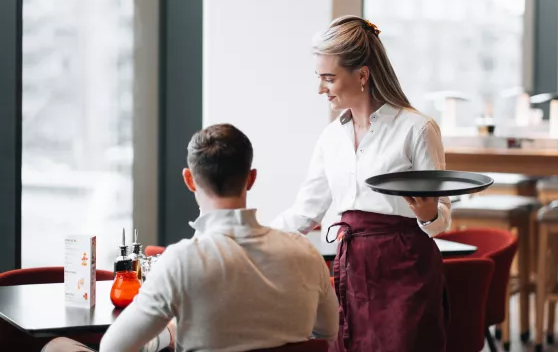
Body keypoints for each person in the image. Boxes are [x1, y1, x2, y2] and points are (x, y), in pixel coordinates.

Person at [44, 124, 338, 352]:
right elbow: (329, 330)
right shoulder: (305, 253)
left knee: (57, 346)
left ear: (189, 179)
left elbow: (114, 348)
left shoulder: (181, 261)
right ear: (251, 178)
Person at [271, 16, 451, 352]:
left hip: (406, 271)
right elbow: (305, 212)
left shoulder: (417, 129)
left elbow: (441, 218)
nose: (320, 88)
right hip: (351, 269)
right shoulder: (331, 137)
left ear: (363, 75)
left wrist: (428, 215)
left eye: (329, 78)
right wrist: (251, 239)